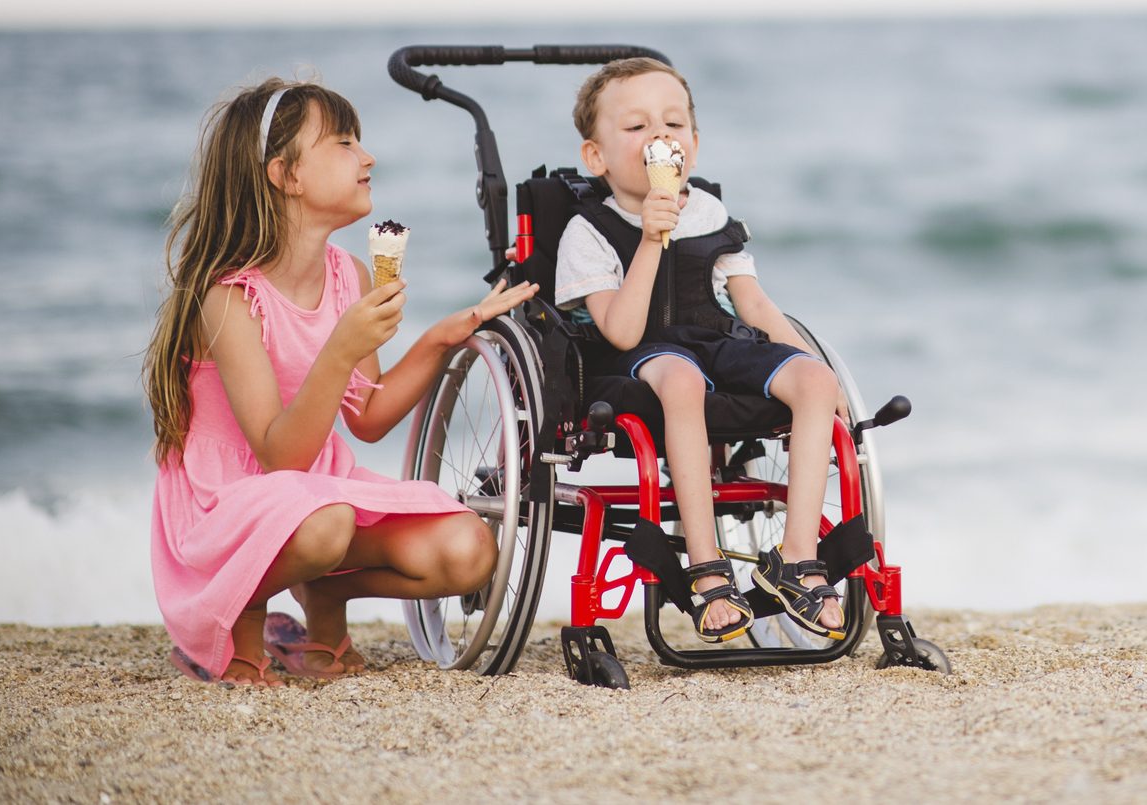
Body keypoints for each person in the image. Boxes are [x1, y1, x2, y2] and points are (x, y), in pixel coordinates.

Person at [144, 78, 537, 684]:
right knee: (325, 524)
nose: (368, 156)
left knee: (469, 551)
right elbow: (279, 455)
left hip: (322, 495)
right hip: (226, 501)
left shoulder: (348, 274)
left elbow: (369, 420)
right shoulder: (229, 299)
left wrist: (438, 338)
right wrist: (340, 350)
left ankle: (325, 598)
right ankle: (236, 623)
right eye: (345, 143)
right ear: (286, 175)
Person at [553, 57, 850, 642]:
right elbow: (621, 331)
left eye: (673, 124)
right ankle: (706, 566)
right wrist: (649, 237)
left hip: (714, 340)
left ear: (694, 142)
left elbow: (756, 308)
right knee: (683, 380)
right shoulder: (588, 229)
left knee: (816, 382)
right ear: (597, 157)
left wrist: (826, 378)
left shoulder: (712, 214)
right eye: (637, 128)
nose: (660, 137)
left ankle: (796, 559)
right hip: (640, 356)